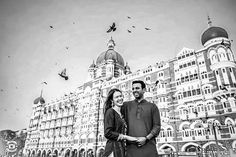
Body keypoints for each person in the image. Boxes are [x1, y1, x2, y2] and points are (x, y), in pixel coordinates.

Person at [121, 80, 161, 157]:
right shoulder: (126, 106)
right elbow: (113, 112)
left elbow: (157, 126)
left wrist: (146, 138)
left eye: (137, 88)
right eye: (133, 89)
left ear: (144, 90)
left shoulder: (152, 106)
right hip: (131, 149)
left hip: (149, 148)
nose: (134, 90)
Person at [103, 88, 137, 157]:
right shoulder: (110, 112)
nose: (120, 98)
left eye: (121, 96)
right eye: (116, 97)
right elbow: (107, 133)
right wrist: (126, 137)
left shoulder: (121, 114)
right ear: (112, 100)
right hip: (113, 149)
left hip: (121, 149)